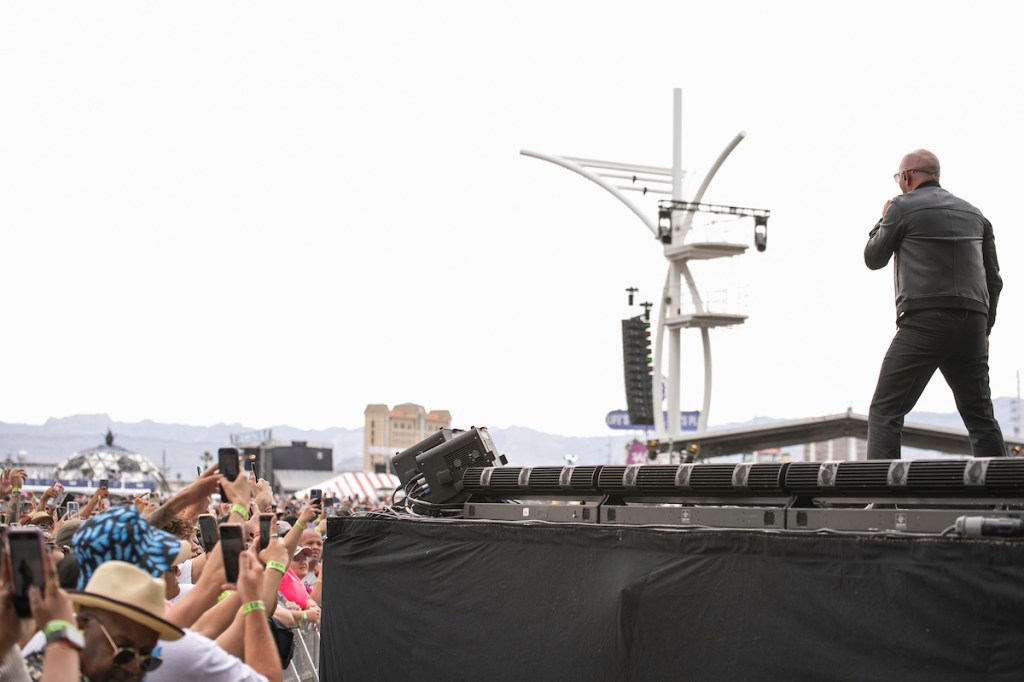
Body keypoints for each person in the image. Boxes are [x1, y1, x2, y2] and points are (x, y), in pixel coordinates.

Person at [864, 148, 1006, 459]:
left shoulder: (901, 207)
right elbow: (994, 281)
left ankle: (878, 489)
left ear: (906, 176)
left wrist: (883, 218)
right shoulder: (975, 214)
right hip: (973, 323)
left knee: (886, 410)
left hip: (925, 321)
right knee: (981, 418)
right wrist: (984, 329)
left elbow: (874, 257)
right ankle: (1004, 488)